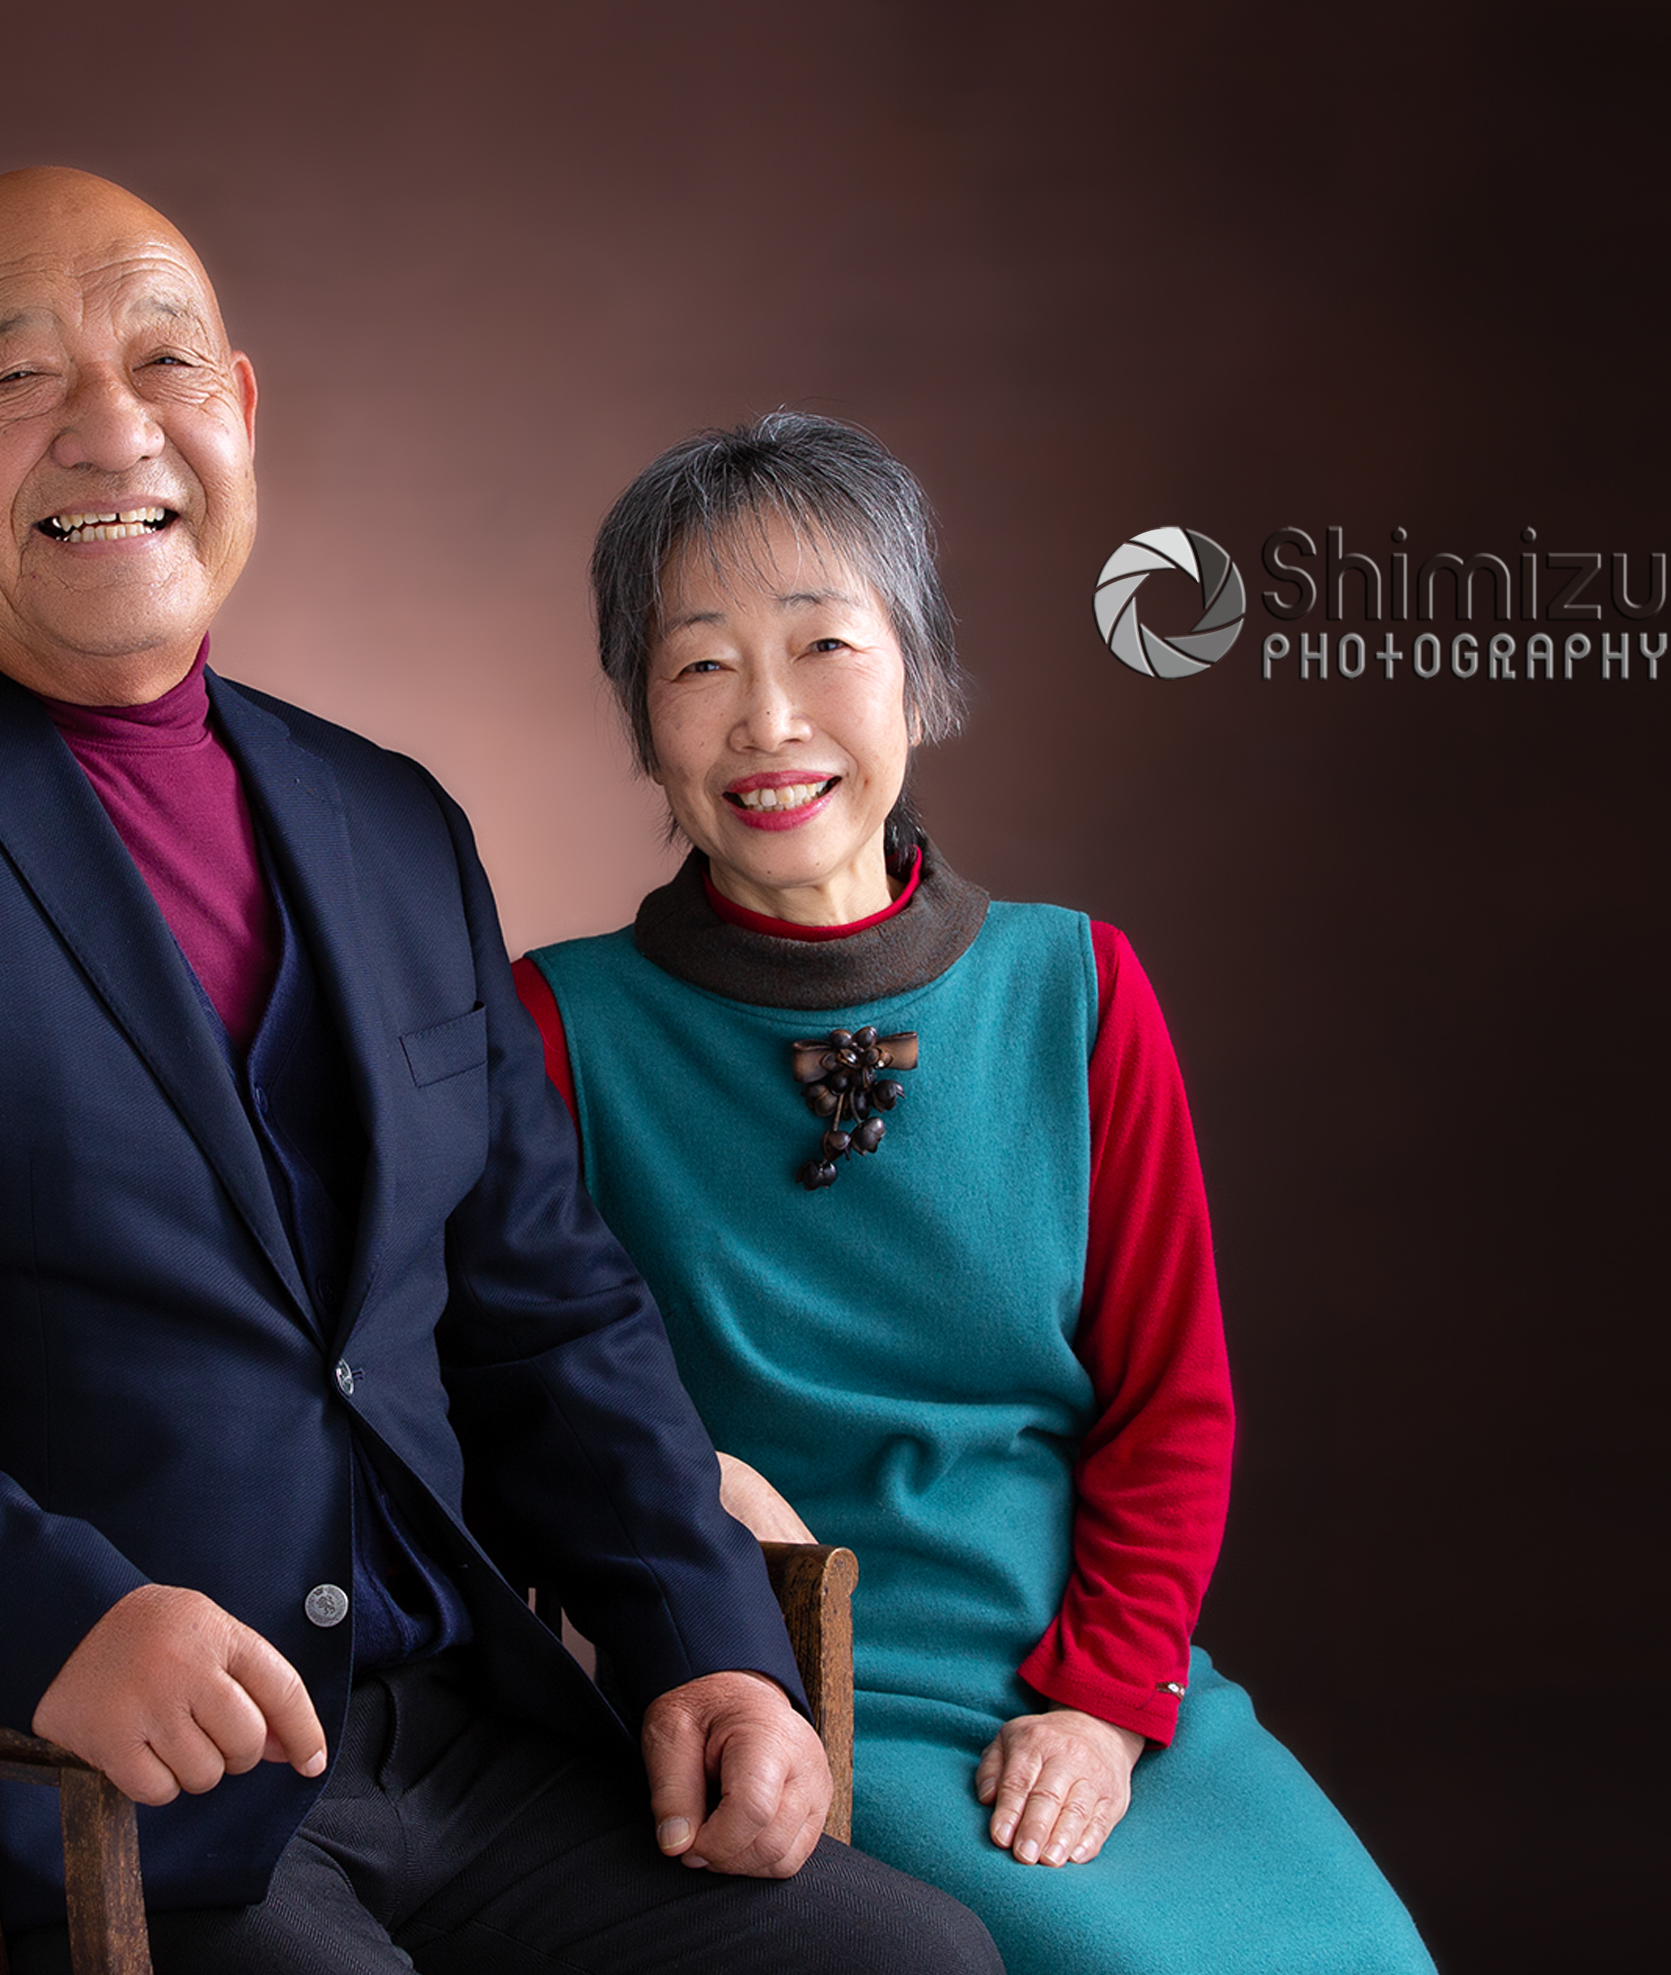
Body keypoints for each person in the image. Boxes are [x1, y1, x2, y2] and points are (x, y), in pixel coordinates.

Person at [0, 173, 999, 1975]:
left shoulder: (387, 819)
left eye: (166, 362)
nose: (116, 428)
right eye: (14, 378)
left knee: (912, 1962)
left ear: (239, 414)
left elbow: (545, 1310)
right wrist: (52, 1623)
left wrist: (704, 1644)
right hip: (23, 1788)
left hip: (451, 1752)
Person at [512, 414, 1440, 1974]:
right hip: (783, 1685)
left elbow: (1171, 1405)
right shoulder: (561, 1025)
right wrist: (693, 1484)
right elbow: (508, 1383)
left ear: (921, 675)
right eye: (701, 665)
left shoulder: (1077, 988)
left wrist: (1105, 1704)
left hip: (1092, 1671)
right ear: (643, 722)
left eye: (825, 646)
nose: (768, 720)